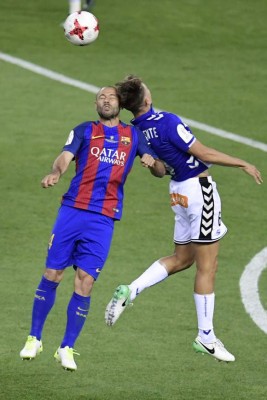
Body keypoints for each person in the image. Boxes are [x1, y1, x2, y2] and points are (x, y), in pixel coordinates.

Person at [105, 75, 263, 363]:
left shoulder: (137, 131)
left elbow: (160, 171)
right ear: (147, 99)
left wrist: (152, 163)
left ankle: (131, 289)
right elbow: (203, 153)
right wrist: (242, 162)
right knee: (208, 266)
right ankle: (206, 337)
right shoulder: (167, 121)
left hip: (178, 193)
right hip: (199, 192)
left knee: (182, 259)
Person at [19, 86, 165, 371]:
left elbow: (161, 170)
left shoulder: (133, 136)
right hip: (73, 210)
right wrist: (56, 172)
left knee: (86, 281)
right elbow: (64, 156)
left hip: (104, 218)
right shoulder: (85, 130)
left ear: (120, 103)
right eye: (101, 97)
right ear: (96, 104)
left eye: (110, 96)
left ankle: (67, 347)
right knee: (53, 273)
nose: (106, 100)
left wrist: (152, 163)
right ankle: (34, 338)